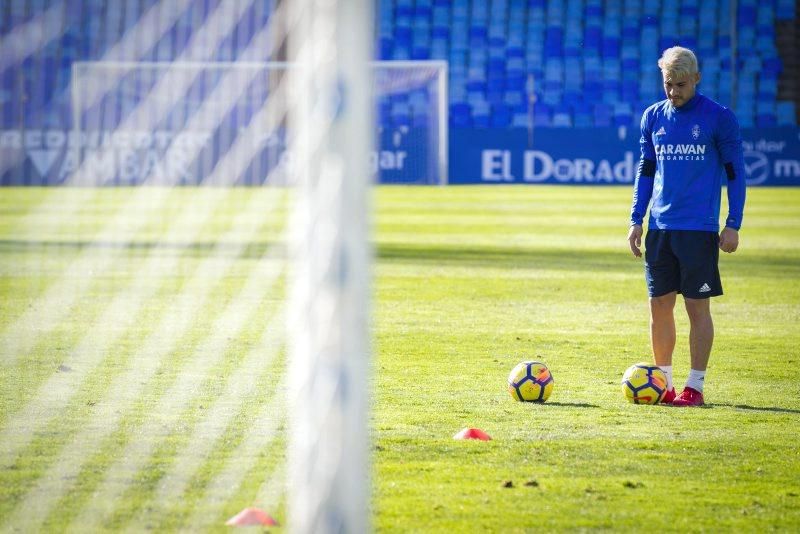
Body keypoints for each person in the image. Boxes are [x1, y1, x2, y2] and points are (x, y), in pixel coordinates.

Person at [627, 46, 746, 407]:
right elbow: (646, 172)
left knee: (697, 308)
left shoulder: (719, 118)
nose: (673, 91)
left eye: (680, 84)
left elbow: (735, 174)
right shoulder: (652, 117)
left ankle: (694, 386)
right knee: (658, 305)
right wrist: (636, 219)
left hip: (699, 228)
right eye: (668, 84)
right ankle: (663, 382)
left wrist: (733, 223)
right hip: (661, 228)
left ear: (696, 78)